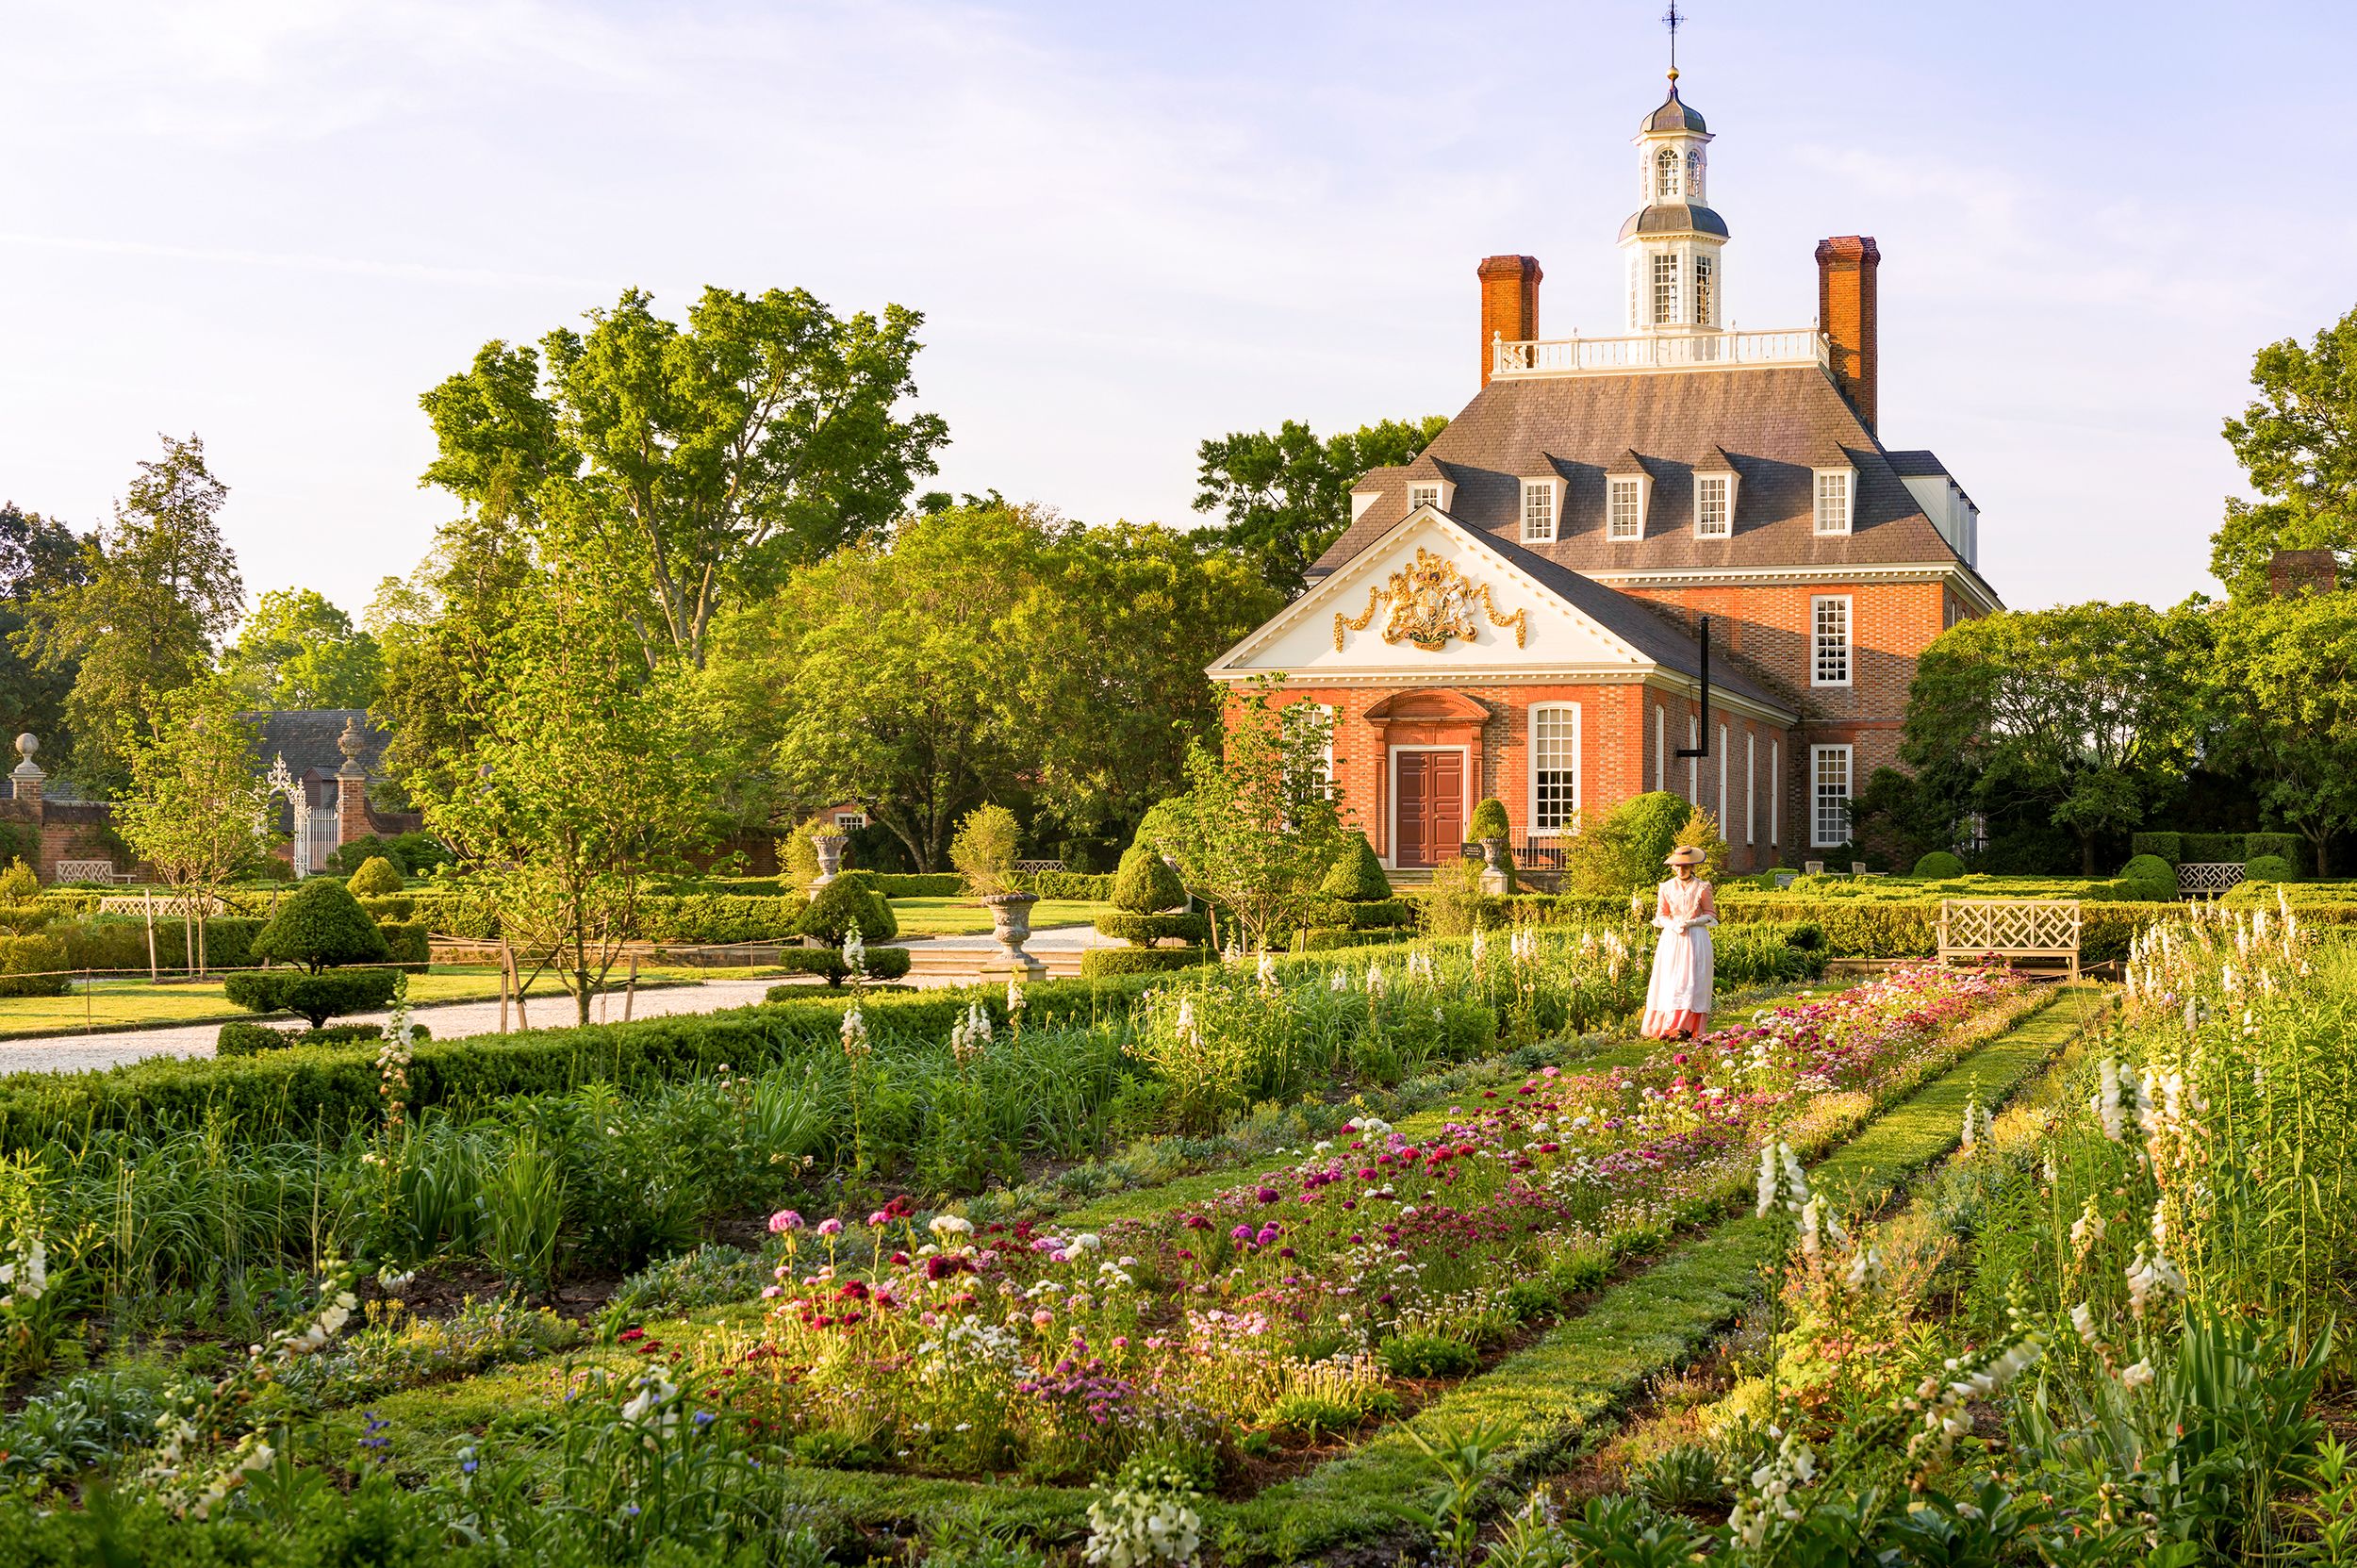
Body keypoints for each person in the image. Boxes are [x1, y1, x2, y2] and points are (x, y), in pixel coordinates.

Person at [1641, 845, 1716, 1040]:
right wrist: (1673, 925)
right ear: (1673, 867)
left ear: (1692, 866)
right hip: (1673, 939)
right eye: (1678, 866)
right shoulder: (1666, 887)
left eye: (1686, 866)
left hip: (1696, 938)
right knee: (1671, 979)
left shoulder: (1702, 887)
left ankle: (1687, 1026)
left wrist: (1692, 922)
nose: (1682, 870)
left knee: (1693, 979)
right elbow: (1661, 915)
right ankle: (1668, 1025)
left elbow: (1710, 914)